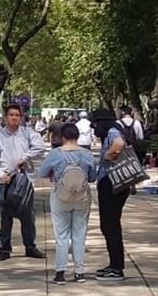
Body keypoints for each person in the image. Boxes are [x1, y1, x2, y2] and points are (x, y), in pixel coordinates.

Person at [37, 123, 96, 284]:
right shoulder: (87, 154)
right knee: (79, 234)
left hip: (60, 197)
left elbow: (41, 172)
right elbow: (92, 178)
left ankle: (60, 272)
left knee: (61, 235)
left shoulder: (55, 154)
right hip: (82, 198)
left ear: (62, 137)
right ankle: (79, 272)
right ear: (77, 136)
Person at [0, 103, 47, 261]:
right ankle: (5, 249)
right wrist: (0, 173)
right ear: (6, 117)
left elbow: (40, 147)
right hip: (5, 180)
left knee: (28, 214)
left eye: (17, 115)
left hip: (24, 178)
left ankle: (30, 246)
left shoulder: (27, 133)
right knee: (6, 214)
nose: (14, 118)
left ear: (21, 117)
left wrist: (26, 157)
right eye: (11, 115)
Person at [93, 108, 131, 281]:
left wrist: (108, 155)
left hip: (112, 184)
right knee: (109, 225)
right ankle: (114, 264)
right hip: (112, 183)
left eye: (95, 123)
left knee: (110, 225)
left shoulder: (113, 131)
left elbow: (119, 145)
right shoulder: (111, 131)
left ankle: (116, 268)